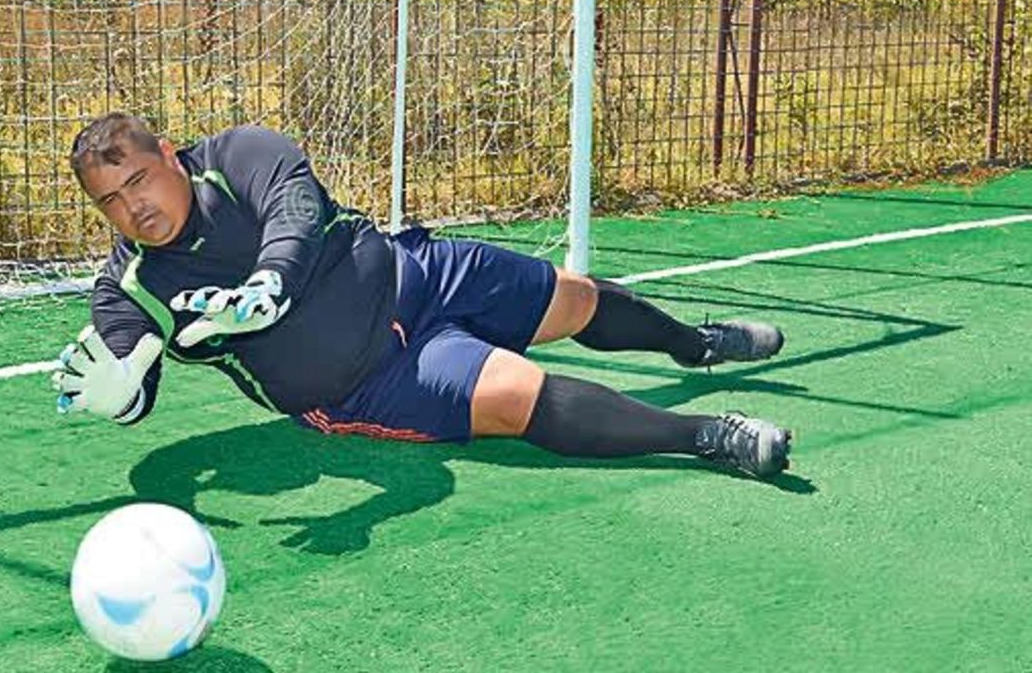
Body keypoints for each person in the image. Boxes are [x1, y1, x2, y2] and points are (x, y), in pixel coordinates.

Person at [50, 113, 792, 478]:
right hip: (370, 381)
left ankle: (693, 343)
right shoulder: (131, 288)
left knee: (572, 296)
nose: (133, 208)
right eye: (110, 202)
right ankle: (706, 435)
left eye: (138, 181)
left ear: (170, 157)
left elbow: (295, 214)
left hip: (416, 273)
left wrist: (267, 286)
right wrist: (124, 397)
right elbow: (128, 369)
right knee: (516, 390)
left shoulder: (239, 154)